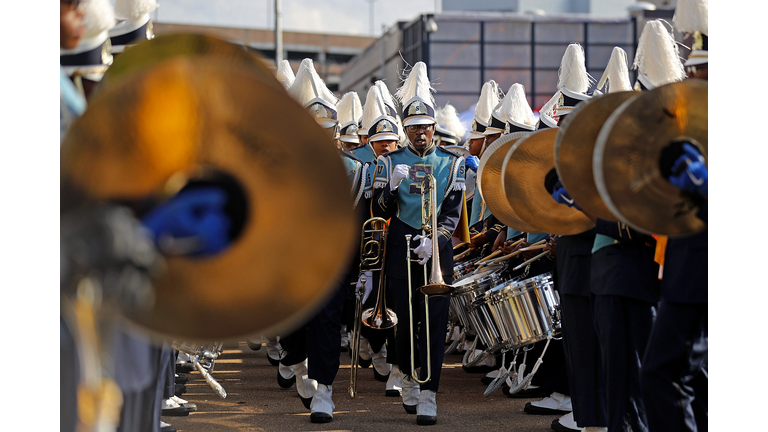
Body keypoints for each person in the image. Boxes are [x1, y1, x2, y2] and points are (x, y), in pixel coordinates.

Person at [371, 61, 466, 426]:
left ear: (433, 128)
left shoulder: (451, 163)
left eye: (425, 128)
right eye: (413, 130)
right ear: (406, 132)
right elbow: (379, 210)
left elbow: (453, 213)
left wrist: (435, 241)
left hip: (435, 249)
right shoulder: (388, 162)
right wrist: (391, 188)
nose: (420, 135)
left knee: (435, 320)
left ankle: (430, 393)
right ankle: (410, 375)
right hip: (399, 243)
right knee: (405, 318)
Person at [640, 2, 708, 430]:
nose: (693, 79)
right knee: (692, 377)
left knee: (662, 375)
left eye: (703, 73)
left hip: (700, 270)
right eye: (694, 71)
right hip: (688, 266)